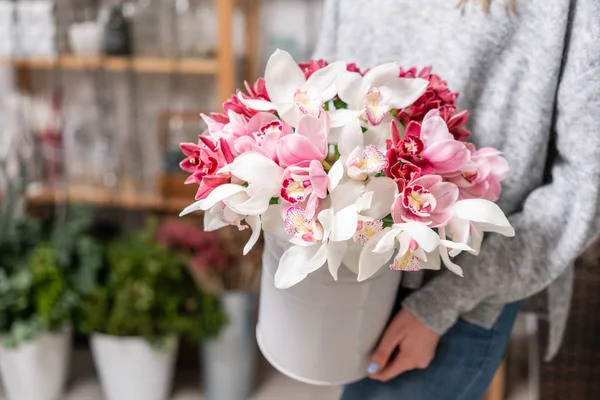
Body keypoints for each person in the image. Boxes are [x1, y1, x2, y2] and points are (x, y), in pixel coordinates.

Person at [312, 0, 600, 398]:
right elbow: (318, 89)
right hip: (353, 265)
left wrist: (442, 304)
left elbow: (586, 184)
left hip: (458, 286)